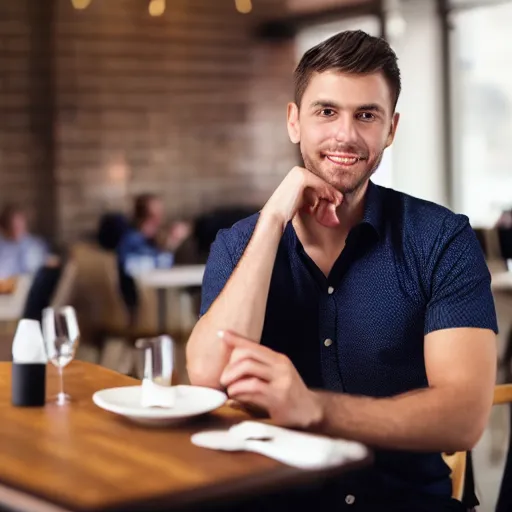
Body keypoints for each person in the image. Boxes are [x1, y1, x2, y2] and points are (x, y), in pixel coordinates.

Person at [186, 30, 497, 511]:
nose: (346, 135)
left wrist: (314, 408)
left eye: (366, 115)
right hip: (273, 501)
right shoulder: (239, 244)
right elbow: (208, 375)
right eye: (326, 112)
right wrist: (271, 221)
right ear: (294, 122)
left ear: (390, 129)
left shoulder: (442, 240)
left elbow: (464, 417)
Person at [117, 193, 191, 317]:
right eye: (155, 213)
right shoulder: (132, 239)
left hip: (149, 300)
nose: (160, 217)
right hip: (136, 304)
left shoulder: (152, 239)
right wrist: (168, 247)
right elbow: (132, 267)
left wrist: (172, 243)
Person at [0, 203, 50, 279]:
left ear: (25, 222)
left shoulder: (36, 244)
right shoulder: (3, 246)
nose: (15, 227)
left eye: (18, 223)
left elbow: (34, 270)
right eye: (11, 224)